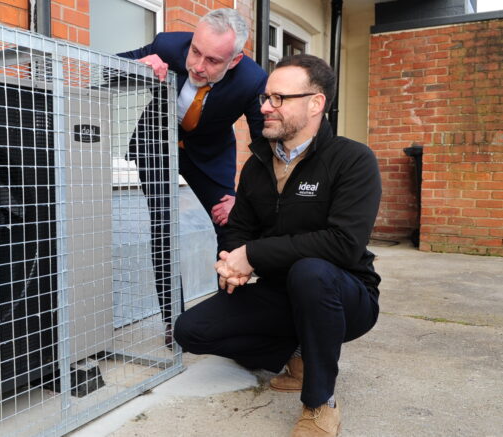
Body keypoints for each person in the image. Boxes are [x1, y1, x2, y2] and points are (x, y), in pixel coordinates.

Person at [173, 54, 382, 437]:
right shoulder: (256, 165)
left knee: (312, 271)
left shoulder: (352, 160)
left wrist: (252, 256)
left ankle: (320, 402)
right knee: (191, 330)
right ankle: (296, 354)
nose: (265, 107)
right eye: (265, 98)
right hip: (279, 292)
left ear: (316, 103)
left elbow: (343, 244)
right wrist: (231, 261)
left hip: (344, 296)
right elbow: (239, 229)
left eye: (278, 99)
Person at [117, 9, 267, 347]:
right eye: (196, 52)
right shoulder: (168, 45)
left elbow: (264, 148)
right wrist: (136, 67)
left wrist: (242, 198)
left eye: (213, 60)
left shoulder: (253, 80)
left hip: (211, 156)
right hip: (156, 144)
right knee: (163, 226)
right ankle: (175, 323)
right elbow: (102, 65)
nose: (198, 66)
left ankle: (227, 319)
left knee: (231, 226)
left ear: (234, 60)